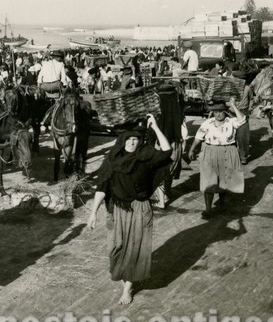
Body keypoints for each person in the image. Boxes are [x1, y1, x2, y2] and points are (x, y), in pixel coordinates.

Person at [87, 116, 173, 305]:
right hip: (118, 208)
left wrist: (156, 128)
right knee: (115, 247)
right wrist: (93, 213)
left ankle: (128, 287)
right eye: (129, 139)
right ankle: (126, 276)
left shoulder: (145, 156)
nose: (133, 143)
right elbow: (102, 187)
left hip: (140, 208)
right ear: (122, 140)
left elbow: (167, 152)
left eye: (136, 139)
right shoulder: (112, 159)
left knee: (135, 249)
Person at [187, 98, 246, 219]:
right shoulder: (207, 123)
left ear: (225, 111)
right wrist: (191, 149)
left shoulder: (231, 121)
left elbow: (243, 120)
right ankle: (208, 209)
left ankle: (222, 206)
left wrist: (234, 105)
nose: (218, 114)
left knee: (225, 180)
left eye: (221, 111)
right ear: (212, 112)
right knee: (209, 181)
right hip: (210, 152)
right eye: (215, 111)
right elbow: (198, 137)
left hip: (228, 151)